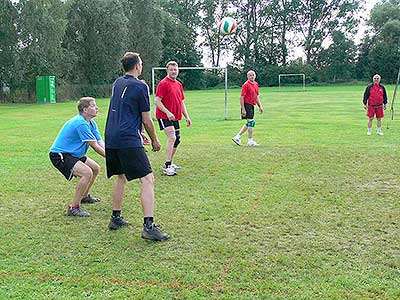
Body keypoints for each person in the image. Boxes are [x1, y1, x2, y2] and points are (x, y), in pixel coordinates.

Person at [104, 52, 169, 241]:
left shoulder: (117, 83)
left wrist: (138, 131)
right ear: (137, 66)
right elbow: (147, 119)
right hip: (126, 138)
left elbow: (127, 110)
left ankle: (115, 218)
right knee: (148, 178)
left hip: (112, 136)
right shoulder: (141, 86)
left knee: (121, 176)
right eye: (141, 63)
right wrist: (155, 140)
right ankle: (149, 226)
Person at [49, 97, 105, 217]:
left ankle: (84, 196)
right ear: (85, 109)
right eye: (93, 106)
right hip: (60, 155)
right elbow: (94, 146)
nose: (97, 108)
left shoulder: (91, 123)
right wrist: (112, 158)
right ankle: (73, 208)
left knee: (95, 168)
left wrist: (111, 154)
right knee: (87, 173)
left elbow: (100, 142)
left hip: (73, 154)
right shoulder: (80, 123)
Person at [155, 61, 192, 176]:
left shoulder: (178, 84)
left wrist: (187, 116)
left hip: (175, 117)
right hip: (164, 116)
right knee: (172, 137)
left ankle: (170, 162)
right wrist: (167, 112)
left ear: (178, 71)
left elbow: (181, 102)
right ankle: (167, 166)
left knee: (177, 139)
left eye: (175, 69)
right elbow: (157, 101)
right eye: (171, 70)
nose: (173, 71)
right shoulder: (163, 84)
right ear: (167, 71)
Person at [232, 70, 264, 146]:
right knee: (251, 123)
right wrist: (243, 109)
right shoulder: (245, 85)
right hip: (246, 105)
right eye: (250, 75)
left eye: (253, 75)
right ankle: (250, 141)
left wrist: (260, 106)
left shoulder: (256, 84)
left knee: (250, 123)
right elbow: (241, 97)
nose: (252, 76)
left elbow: (256, 97)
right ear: (247, 76)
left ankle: (237, 137)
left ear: (255, 76)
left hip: (252, 105)